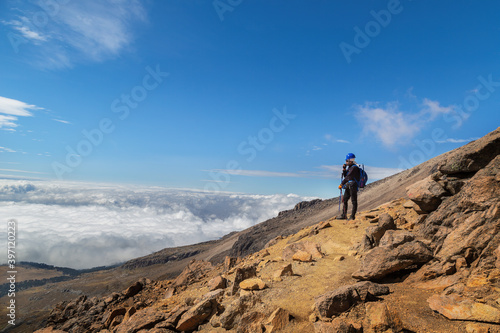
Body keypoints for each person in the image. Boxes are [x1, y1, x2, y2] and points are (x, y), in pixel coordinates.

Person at [338, 153, 360, 220]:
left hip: (353, 185)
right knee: (345, 200)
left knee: (353, 201)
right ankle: (344, 215)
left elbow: (348, 177)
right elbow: (346, 176)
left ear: (351, 160)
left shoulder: (354, 168)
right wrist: (344, 169)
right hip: (349, 185)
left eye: (347, 161)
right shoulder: (350, 167)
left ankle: (352, 216)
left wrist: (341, 184)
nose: (346, 162)